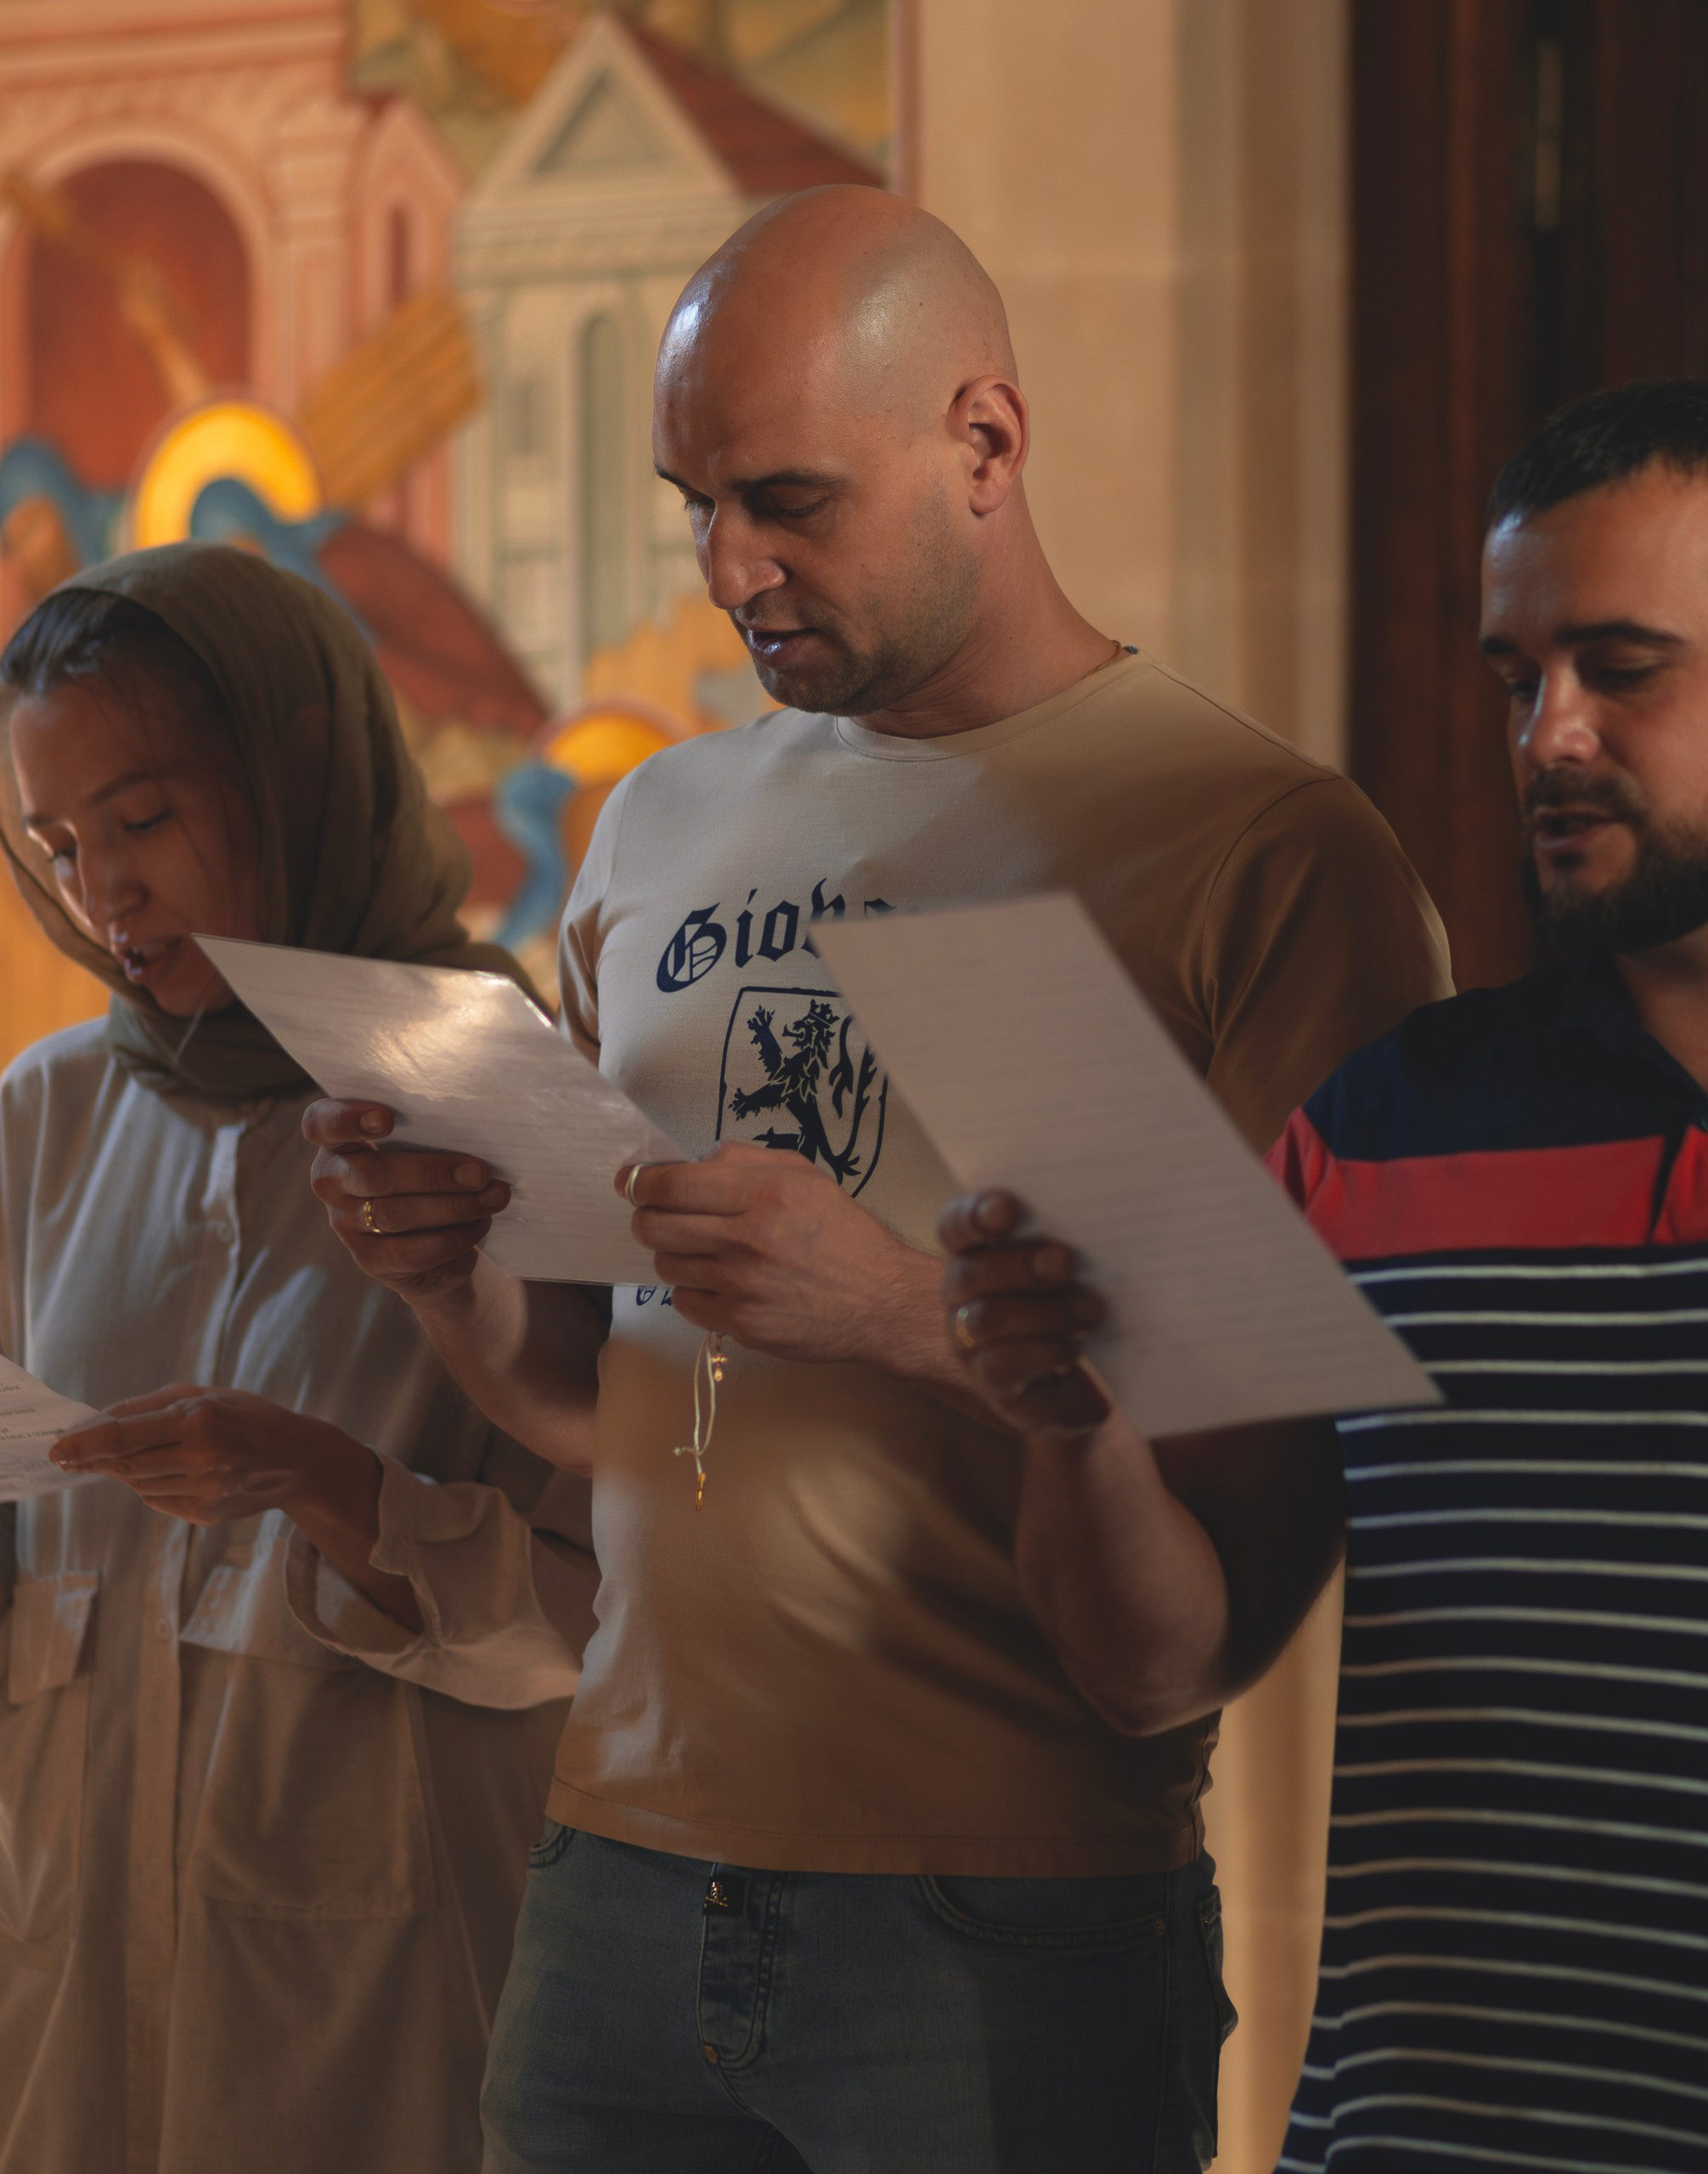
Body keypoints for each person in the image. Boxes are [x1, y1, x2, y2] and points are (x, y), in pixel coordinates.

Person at [302, 183, 1452, 2174]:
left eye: (786, 500)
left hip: (996, 1916)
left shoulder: (1258, 850)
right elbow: (607, 1398)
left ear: (983, 442)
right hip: (612, 1874)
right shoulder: (654, 820)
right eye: (693, 504)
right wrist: (445, 1271)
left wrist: (905, 1312)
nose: (725, 569)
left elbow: (1211, 1615)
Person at [938, 380, 1708, 2171]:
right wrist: (1072, 1426)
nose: (1548, 735)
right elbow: (1159, 1667)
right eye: (1517, 678)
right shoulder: (1376, 1126)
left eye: (1621, 667)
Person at [0, 544, 597, 2174]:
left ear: (298, 771)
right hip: (66, 2013)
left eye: (142, 820)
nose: (104, 894)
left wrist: (329, 1489)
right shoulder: (45, 1119)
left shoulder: (495, 1100)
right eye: (59, 847)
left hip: (383, 2016)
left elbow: (611, 1617)